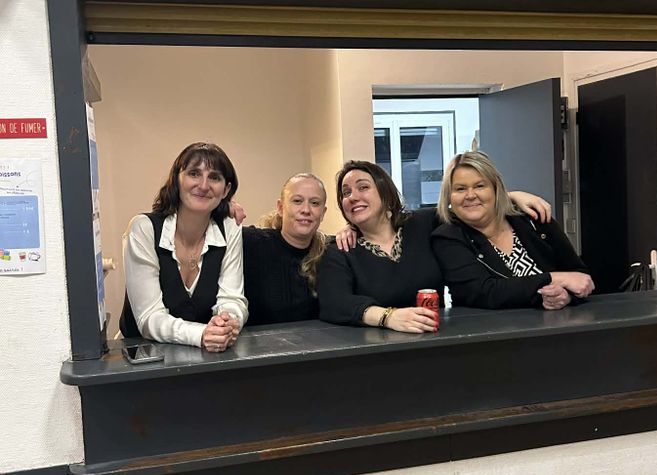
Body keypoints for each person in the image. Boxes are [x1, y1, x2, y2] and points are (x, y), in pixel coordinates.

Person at [316, 159, 554, 333]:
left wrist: (511, 196)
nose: (353, 196)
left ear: (385, 192)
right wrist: (388, 317)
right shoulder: (340, 249)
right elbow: (334, 303)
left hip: (438, 342)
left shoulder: (425, 224)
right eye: (345, 193)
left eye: (363, 187)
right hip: (375, 355)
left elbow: (467, 205)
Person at [119, 142, 248, 350]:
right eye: (194, 174)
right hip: (143, 356)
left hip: (208, 354)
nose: (203, 185)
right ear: (176, 180)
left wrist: (228, 322)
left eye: (214, 177)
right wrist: (201, 334)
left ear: (226, 190)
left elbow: (232, 298)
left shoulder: (230, 227)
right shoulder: (143, 229)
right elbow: (149, 318)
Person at [431, 150, 593, 311]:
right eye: (460, 189)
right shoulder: (447, 237)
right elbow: (484, 292)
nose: (470, 195)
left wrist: (566, 296)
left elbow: (580, 276)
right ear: (449, 196)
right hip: (491, 326)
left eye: (480, 186)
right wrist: (554, 278)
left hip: (558, 323)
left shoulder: (534, 218)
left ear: (496, 189)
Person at [242, 173, 328, 325]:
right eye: (297, 201)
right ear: (281, 208)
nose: (306, 209)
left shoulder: (330, 252)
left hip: (317, 340)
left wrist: (351, 229)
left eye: (315, 203)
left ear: (323, 213)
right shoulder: (251, 243)